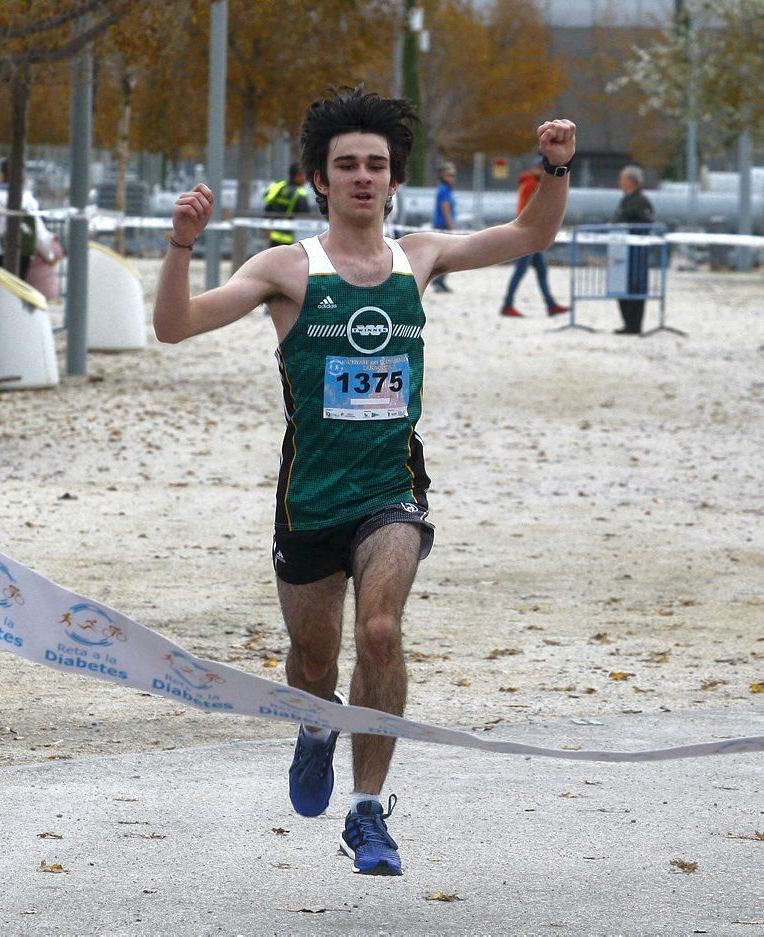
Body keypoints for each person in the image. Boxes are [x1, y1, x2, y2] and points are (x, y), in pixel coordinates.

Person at [153, 87, 576, 876]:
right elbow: (173, 327)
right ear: (319, 178)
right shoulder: (285, 269)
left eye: (375, 165)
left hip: (391, 487)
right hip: (309, 494)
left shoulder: (421, 254)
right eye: (346, 164)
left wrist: (553, 164)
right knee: (313, 661)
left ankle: (367, 808)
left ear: (393, 180)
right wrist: (181, 246)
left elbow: (531, 231)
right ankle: (316, 725)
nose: (361, 177)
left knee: (380, 631)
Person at [500, 159, 569, 318]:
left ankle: (550, 304)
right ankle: (508, 304)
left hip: (531, 234)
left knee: (541, 270)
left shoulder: (528, 182)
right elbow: (533, 210)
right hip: (528, 235)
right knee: (521, 271)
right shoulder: (532, 184)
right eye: (542, 169)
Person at [0, 157, 54, 281]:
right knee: (16, 292)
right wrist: (49, 255)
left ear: (2, 174)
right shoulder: (28, 200)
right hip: (23, 254)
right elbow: (40, 233)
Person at [612, 164, 654, 335]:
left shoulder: (640, 201)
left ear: (631, 181)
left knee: (635, 286)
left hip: (635, 253)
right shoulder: (626, 199)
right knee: (623, 286)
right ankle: (628, 322)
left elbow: (643, 224)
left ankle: (634, 324)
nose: (620, 182)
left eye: (623, 178)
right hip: (622, 250)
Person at [263, 161, 311, 247]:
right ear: (297, 176)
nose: (306, 178)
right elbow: (306, 212)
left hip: (272, 234)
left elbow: (267, 205)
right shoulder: (300, 192)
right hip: (289, 237)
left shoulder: (279, 186)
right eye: (304, 175)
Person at [430, 160, 456, 292]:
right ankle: (438, 281)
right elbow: (445, 207)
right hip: (443, 225)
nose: (451, 178)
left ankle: (440, 281)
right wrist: (451, 225)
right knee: (446, 255)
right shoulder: (444, 190)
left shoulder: (446, 189)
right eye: (449, 175)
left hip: (443, 224)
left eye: (452, 175)